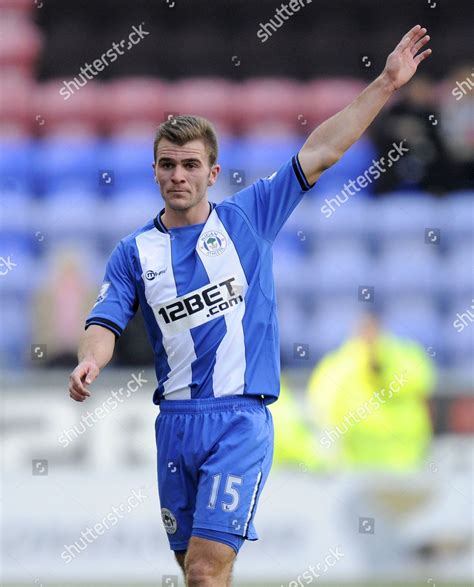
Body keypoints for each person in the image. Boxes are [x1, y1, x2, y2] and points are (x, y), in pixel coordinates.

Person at [68, 25, 432, 586]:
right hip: (175, 423)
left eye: (190, 165)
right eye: (167, 164)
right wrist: (91, 359)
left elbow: (323, 150)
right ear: (155, 171)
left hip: (239, 419)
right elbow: (105, 319)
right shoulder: (134, 252)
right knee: (194, 572)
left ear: (212, 173)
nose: (178, 175)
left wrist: (385, 84)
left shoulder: (249, 217)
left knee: (208, 569)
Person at [307, 313, 436, 470]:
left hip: (406, 463)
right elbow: (321, 406)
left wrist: (383, 366)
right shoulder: (340, 364)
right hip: (357, 466)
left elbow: (423, 381)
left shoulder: (404, 356)